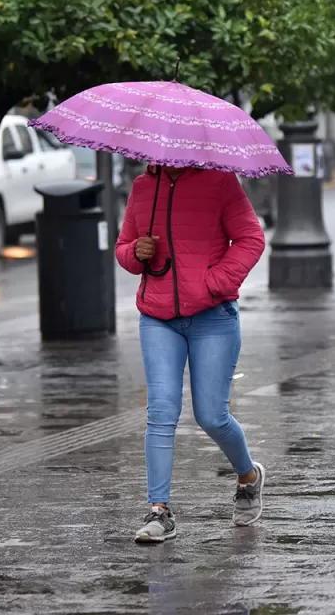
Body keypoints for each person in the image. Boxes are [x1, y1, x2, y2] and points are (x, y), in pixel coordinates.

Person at [115, 165, 267, 543]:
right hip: (158, 317)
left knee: (211, 416)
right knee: (162, 410)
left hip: (213, 317)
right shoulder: (142, 186)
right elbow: (123, 249)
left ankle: (249, 478)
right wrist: (137, 251)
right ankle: (159, 512)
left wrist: (215, 282)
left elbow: (250, 238)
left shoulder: (220, 182)